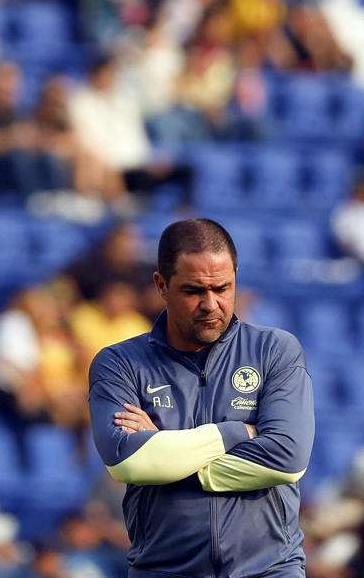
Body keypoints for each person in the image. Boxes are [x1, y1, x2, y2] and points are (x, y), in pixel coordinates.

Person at [87, 218, 314, 578]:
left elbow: (286, 459)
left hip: (269, 570)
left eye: (223, 288)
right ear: (162, 284)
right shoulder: (120, 364)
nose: (211, 304)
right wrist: (240, 433)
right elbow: (128, 463)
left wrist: (166, 452)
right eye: (194, 291)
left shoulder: (274, 351)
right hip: (163, 571)